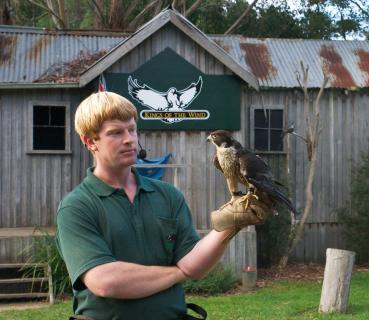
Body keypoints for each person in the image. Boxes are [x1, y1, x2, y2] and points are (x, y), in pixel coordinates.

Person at [56, 91, 269, 320]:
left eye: (132, 129)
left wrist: (229, 225)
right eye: (116, 133)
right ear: (90, 142)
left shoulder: (167, 195)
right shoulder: (76, 207)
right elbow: (106, 282)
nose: (130, 139)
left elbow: (195, 267)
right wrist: (179, 272)